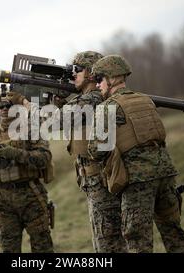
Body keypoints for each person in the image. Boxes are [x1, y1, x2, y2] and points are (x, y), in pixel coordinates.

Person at [88, 55, 184, 253]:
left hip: (139, 182)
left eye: (99, 79)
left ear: (111, 79)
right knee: (174, 233)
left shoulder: (107, 107)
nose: (97, 85)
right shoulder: (145, 99)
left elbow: (96, 150)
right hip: (166, 174)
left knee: (137, 241)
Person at [54, 51, 127, 253]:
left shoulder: (94, 98)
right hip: (94, 181)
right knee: (103, 242)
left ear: (91, 73)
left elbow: (53, 121)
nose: (73, 74)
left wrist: (27, 104)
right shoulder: (86, 99)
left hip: (104, 180)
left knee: (110, 244)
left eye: (78, 70)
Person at [0, 87, 54, 253]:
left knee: (42, 246)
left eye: (7, 105)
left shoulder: (30, 130)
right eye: (0, 106)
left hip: (31, 194)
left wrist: (15, 153)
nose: (4, 109)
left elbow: (44, 158)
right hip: (3, 200)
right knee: (8, 248)